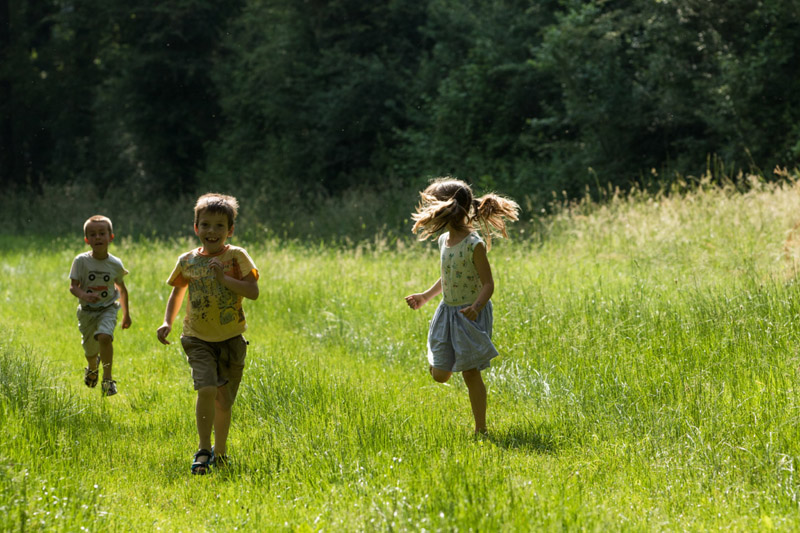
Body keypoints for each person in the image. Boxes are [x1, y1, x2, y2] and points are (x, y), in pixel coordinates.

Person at [405, 177, 519, 434]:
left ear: (448, 209)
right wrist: (425, 296)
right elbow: (448, 275)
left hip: (469, 314)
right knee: (440, 375)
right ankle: (445, 359)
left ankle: (481, 429)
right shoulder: (443, 241)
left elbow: (488, 284)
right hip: (446, 312)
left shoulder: (474, 244)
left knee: (470, 373)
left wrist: (477, 307)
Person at [157, 193, 259, 475]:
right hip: (196, 337)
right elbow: (178, 291)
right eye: (205, 225)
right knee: (207, 388)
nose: (211, 232)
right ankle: (203, 448)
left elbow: (253, 292)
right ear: (196, 227)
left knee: (224, 401)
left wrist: (223, 279)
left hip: (231, 339)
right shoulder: (187, 261)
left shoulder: (237, 257)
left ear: (230, 230)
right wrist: (167, 321)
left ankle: (221, 452)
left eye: (218, 226)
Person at [69, 215, 132, 397]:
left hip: (108, 309)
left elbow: (122, 289)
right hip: (87, 312)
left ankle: (108, 380)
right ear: (87, 240)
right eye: (93, 234)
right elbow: (73, 286)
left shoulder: (115, 264)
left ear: (110, 237)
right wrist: (84, 295)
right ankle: (92, 365)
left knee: (105, 337)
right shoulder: (81, 261)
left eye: (102, 233)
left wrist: (126, 315)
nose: (97, 237)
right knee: (90, 351)